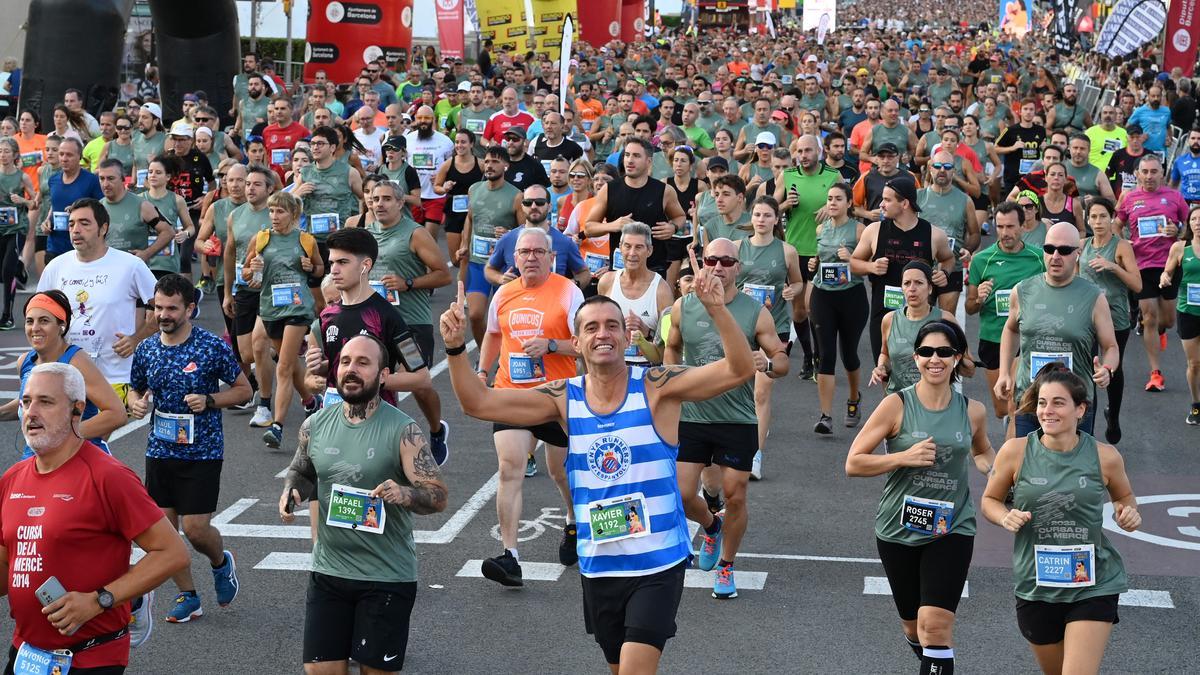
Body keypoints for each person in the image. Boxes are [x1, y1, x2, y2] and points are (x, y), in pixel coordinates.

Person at [440, 261, 754, 673]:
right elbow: (477, 404)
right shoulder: (561, 397)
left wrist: (716, 309)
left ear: (627, 336)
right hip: (599, 563)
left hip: (657, 561)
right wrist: (454, 349)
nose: (602, 334)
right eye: (591, 328)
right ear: (576, 341)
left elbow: (739, 368)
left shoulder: (658, 386)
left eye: (611, 326)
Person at [0, 362, 189, 672]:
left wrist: (99, 600)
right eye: (26, 401)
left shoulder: (107, 476)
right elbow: (6, 568)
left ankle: (137, 602)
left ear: (77, 410)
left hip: (90, 657)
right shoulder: (12, 479)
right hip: (27, 654)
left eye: (45, 402)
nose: (31, 412)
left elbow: (173, 553)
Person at [280, 335, 448, 674]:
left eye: (362, 363)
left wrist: (406, 494)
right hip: (329, 571)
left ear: (383, 375)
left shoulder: (404, 430)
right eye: (345, 362)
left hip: (385, 576)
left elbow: (438, 495)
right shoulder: (315, 425)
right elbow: (302, 469)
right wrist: (292, 492)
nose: (351, 370)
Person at [847, 320, 994, 675]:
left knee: (936, 626)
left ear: (957, 358)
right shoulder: (895, 405)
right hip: (898, 527)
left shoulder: (973, 411)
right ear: (915, 357)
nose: (935, 359)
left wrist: (1002, 474)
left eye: (944, 352)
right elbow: (853, 462)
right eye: (926, 352)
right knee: (914, 627)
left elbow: (983, 452)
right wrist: (902, 457)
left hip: (952, 526)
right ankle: (932, 660)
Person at [981, 366, 1140, 675]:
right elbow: (990, 500)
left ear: (1080, 409)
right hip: (1037, 582)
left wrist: (1128, 514)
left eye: (1058, 402)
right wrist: (1005, 517)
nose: (1047, 410)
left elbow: (1124, 497)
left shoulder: (1104, 456)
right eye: (1042, 402)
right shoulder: (1015, 451)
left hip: (1093, 582)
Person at [665, 237, 788, 599]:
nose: (718, 266)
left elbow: (780, 358)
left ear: (739, 267)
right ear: (703, 264)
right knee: (683, 493)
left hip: (737, 419)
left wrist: (766, 363)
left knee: (736, 495)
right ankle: (710, 526)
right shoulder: (683, 306)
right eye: (711, 260)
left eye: (726, 261)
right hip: (693, 415)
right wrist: (673, 376)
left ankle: (727, 565)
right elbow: (672, 345)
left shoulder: (754, 311)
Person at [127, 275, 250, 623]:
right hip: (160, 451)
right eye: (158, 307)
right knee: (164, 534)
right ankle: (189, 595)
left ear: (190, 309)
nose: (162, 314)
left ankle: (220, 562)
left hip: (203, 452)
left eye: (171, 308)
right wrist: (136, 403)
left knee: (195, 530)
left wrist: (211, 399)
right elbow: (135, 389)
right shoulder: (147, 349)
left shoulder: (210, 346)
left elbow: (244, 391)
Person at [475, 227, 584, 583]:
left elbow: (586, 344)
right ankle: (511, 556)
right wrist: (481, 371)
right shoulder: (503, 294)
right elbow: (493, 335)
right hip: (511, 394)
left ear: (552, 258)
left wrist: (553, 346)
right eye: (524, 252)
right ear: (514, 258)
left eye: (539, 252)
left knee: (560, 472)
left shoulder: (569, 292)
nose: (531, 257)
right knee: (509, 468)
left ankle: (572, 520)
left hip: (556, 397)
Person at [995, 222, 1120, 438]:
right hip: (1031, 398)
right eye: (1049, 249)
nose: (1055, 256)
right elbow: (1011, 329)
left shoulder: (1093, 297)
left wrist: (1107, 369)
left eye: (1064, 250)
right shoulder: (1022, 291)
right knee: (1028, 466)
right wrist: (1004, 372)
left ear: (1077, 254)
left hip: (1074, 403)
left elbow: (1110, 346)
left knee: (1071, 469)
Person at [37, 198, 158, 407]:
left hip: (114, 375)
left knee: (90, 436)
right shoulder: (56, 267)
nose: (75, 230)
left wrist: (137, 338)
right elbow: (38, 315)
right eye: (72, 223)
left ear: (103, 228)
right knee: (72, 437)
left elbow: (165, 309)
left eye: (84, 223)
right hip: (68, 374)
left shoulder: (130, 265)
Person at [364, 180, 453, 462]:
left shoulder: (414, 234)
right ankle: (383, 441)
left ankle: (437, 430)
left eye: (387, 199)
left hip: (411, 325)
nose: (380, 204)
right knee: (373, 380)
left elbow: (443, 275)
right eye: (375, 198)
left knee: (418, 384)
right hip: (376, 324)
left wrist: (408, 282)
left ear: (401, 203)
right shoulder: (366, 235)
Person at [0, 290, 126, 458]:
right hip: (36, 458)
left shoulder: (76, 362)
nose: (35, 328)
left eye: (44, 321)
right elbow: (30, 402)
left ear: (62, 326)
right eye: (30, 321)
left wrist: (66, 435)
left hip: (76, 459)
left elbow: (116, 414)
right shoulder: (24, 362)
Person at [242, 191, 323, 448]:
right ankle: (311, 402)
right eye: (271, 211)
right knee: (289, 363)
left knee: (284, 367)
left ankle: (276, 426)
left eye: (280, 211)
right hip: (270, 308)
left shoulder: (306, 240)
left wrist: (311, 268)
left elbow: (320, 268)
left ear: (293, 214)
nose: (274, 216)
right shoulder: (262, 239)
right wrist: (250, 270)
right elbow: (244, 272)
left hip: (298, 309)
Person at [850, 176, 956, 361]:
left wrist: (944, 273)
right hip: (883, 313)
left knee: (921, 369)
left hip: (921, 316)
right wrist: (871, 266)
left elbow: (948, 259)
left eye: (887, 200)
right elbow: (853, 263)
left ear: (905, 203)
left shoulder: (934, 234)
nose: (881, 204)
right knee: (885, 369)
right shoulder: (874, 230)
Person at [736, 197, 804, 478]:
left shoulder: (787, 251)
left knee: (762, 391)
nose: (761, 220)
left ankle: (755, 456)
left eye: (767, 215)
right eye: (757, 215)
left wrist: (792, 291)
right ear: (751, 218)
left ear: (776, 220)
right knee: (738, 388)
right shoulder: (738, 247)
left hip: (775, 327)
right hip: (741, 324)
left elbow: (798, 281)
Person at [966, 201, 1046, 426]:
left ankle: (1016, 455)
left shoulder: (1040, 258)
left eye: (1010, 227)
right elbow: (969, 308)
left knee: (1016, 406)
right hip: (993, 338)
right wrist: (979, 299)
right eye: (1000, 227)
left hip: (1027, 338)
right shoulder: (982, 260)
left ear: (1023, 226)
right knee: (1002, 409)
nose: (1005, 233)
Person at [1115, 154, 1189, 392]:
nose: (1149, 176)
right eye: (1144, 172)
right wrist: (1122, 244)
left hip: (1169, 264)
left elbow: (1189, 225)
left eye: (1153, 171)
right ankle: (1155, 373)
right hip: (1141, 265)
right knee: (1149, 315)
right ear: (1137, 174)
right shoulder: (1129, 197)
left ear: (1162, 173)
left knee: (1167, 320)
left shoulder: (1175, 197)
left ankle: (1160, 330)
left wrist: (1176, 230)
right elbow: (1117, 223)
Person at [776, 134, 841, 379]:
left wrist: (831, 207)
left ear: (819, 151)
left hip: (822, 252)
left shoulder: (833, 176)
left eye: (808, 151)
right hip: (794, 252)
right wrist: (785, 205)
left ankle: (820, 358)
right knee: (798, 312)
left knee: (812, 307)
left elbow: (849, 207)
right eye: (800, 151)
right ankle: (807, 355)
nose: (804, 156)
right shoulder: (789, 176)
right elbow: (772, 207)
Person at [808, 183, 868, 433]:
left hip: (851, 296)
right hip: (823, 295)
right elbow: (821, 259)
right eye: (830, 199)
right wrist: (814, 263)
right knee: (826, 355)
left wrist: (851, 259)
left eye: (838, 199)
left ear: (848, 203)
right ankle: (825, 415)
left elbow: (870, 264)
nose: (832, 203)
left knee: (849, 354)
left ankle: (854, 398)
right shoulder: (821, 228)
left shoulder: (858, 230)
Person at [1080, 199, 1141, 443]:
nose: (1098, 222)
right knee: (1087, 370)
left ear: (1111, 218)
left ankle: (1113, 415)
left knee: (1112, 368)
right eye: (1093, 217)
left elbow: (1137, 284)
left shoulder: (1121, 247)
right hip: (1086, 318)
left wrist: (1113, 267)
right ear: (1087, 220)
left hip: (1115, 317)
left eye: (1103, 216)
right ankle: (1089, 430)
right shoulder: (1082, 245)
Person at [585, 137, 687, 279]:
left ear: (648, 161)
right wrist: (613, 225)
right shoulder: (609, 189)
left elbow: (680, 217)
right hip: (620, 269)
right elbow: (589, 228)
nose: (630, 160)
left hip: (654, 268)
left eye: (636, 156)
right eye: (627, 155)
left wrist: (673, 227)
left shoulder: (664, 190)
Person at [458, 146, 524, 347]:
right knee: (476, 315)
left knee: (504, 318)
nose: (489, 166)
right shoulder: (474, 189)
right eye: (487, 162)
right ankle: (483, 353)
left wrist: (509, 234)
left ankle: (504, 355)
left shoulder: (516, 195)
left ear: (506, 166)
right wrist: (464, 244)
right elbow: (470, 218)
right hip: (477, 262)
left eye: (495, 162)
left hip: (504, 266)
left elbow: (524, 230)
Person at [598, 221, 674, 367]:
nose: (632, 253)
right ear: (620, 248)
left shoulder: (661, 290)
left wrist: (647, 332)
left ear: (649, 250)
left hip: (647, 368)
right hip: (612, 365)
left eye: (639, 247)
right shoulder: (607, 282)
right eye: (627, 246)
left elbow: (669, 345)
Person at [919, 150, 980, 314]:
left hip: (953, 268)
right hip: (923, 266)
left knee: (946, 320)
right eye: (938, 166)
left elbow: (974, 233)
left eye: (947, 167)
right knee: (921, 318)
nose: (942, 170)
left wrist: (968, 249)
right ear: (931, 168)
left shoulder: (965, 200)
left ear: (954, 170)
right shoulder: (918, 197)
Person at [1159, 204, 1200, 424]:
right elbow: (1167, 271)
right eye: (1195, 219)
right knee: (1194, 364)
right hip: (1188, 311)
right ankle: (1196, 404)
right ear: (1189, 224)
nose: (1198, 223)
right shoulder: (1180, 248)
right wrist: (1164, 278)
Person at [41, 138, 103, 264]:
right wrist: (47, 221)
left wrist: (79, 210)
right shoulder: (53, 180)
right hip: (54, 245)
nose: (64, 158)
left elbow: (102, 209)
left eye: (69, 155)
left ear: (79, 157)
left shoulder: (91, 180)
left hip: (80, 246)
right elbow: (54, 205)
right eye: (61, 154)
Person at [432, 129, 482, 266]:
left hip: (474, 215)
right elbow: (436, 187)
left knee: (471, 256)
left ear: (471, 144)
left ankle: (468, 285)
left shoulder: (481, 165)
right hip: (453, 214)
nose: (459, 145)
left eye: (463, 142)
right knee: (455, 260)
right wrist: (444, 188)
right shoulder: (448, 164)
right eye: (457, 142)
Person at [404, 106, 455, 238]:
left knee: (429, 239)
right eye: (420, 118)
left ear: (433, 119)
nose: (423, 121)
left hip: (435, 196)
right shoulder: (408, 139)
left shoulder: (445, 141)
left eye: (427, 118)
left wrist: (442, 178)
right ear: (415, 119)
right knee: (413, 237)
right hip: (414, 195)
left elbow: (452, 166)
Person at [0, 137, 33, 328]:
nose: (2, 155)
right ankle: (19, 269)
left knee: (6, 271)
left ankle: (7, 316)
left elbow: (34, 202)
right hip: (0, 228)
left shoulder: (22, 177)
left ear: (15, 155)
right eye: (0, 151)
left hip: (16, 228)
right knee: (3, 270)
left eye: (6, 151)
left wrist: (22, 200)